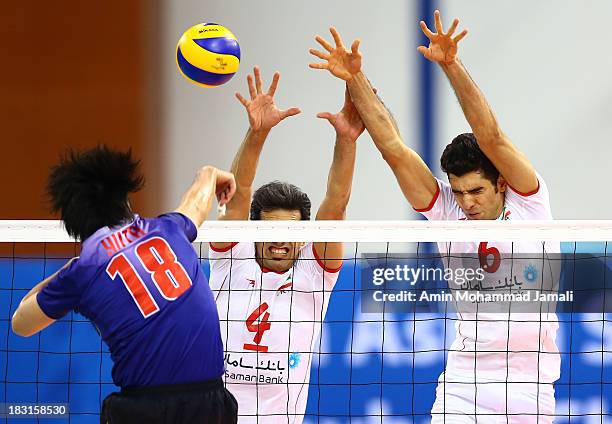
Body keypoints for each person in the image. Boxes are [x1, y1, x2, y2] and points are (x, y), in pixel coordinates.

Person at [309, 12, 559, 423]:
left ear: (500, 184)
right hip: (464, 385)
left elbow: (490, 135)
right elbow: (393, 147)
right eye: (459, 192)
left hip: (530, 391)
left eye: (476, 190)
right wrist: (355, 79)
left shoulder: (529, 201)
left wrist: (450, 64)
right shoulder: (446, 211)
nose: (467, 202)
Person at [11, 146, 239, 424]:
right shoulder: (169, 228)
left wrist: (70, 269)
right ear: (125, 200)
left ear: (73, 223)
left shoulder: (83, 270)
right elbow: (196, 201)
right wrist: (211, 174)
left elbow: (21, 324)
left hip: (145, 409)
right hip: (211, 403)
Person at [209, 67, 365, 423]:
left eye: (291, 233)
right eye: (271, 231)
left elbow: (335, 203)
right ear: (254, 231)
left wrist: (347, 140)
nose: (280, 241)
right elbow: (238, 196)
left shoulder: (315, 274)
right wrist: (257, 134)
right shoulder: (230, 257)